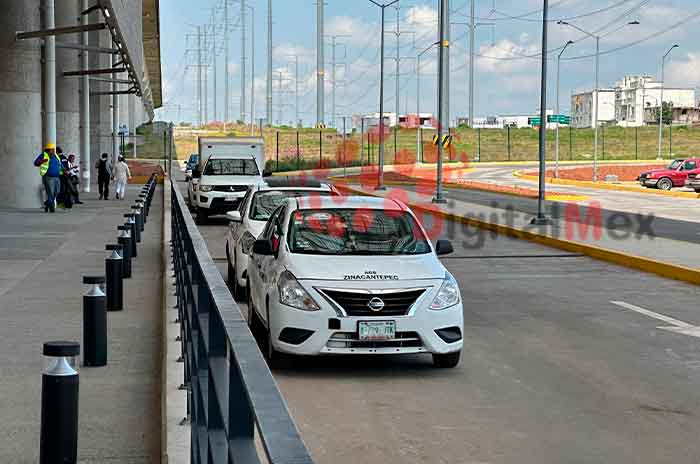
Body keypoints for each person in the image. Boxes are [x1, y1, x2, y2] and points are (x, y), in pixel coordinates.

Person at [33, 143, 63, 213]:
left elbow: (60, 164)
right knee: (50, 193)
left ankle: (47, 203)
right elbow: (35, 163)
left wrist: (65, 171)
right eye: (52, 149)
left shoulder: (56, 156)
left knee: (57, 191)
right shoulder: (43, 155)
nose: (53, 151)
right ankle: (51, 208)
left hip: (57, 177)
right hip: (48, 177)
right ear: (48, 150)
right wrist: (42, 161)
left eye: (53, 149)